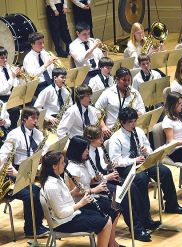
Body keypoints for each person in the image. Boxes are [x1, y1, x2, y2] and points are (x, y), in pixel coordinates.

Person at [84, 125, 161, 242]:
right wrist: (107, 176)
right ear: (91, 139)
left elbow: (101, 166)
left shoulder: (98, 149)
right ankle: (136, 229)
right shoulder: (86, 154)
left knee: (133, 187)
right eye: (100, 138)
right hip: (96, 185)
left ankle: (144, 220)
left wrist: (109, 166)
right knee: (122, 195)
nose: (102, 140)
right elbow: (91, 178)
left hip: (105, 178)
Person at [109, 107, 182, 216]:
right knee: (142, 179)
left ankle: (172, 205)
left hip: (142, 162)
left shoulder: (139, 131)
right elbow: (115, 161)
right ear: (122, 123)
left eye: (135, 121)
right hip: (126, 167)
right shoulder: (116, 138)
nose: (133, 124)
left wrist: (146, 151)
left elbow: (149, 149)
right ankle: (145, 216)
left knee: (165, 171)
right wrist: (133, 160)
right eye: (130, 122)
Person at [39, 151, 112, 247]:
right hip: (64, 223)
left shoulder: (56, 178)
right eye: (61, 162)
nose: (64, 164)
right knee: (106, 223)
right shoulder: (51, 186)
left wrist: (74, 191)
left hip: (70, 216)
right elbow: (61, 213)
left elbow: (60, 199)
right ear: (54, 166)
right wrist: (81, 203)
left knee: (106, 218)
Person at [64, 136, 121, 247]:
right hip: (80, 203)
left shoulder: (82, 163)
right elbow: (74, 192)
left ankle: (111, 242)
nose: (87, 151)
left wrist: (95, 179)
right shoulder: (72, 168)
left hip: (89, 197)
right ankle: (110, 242)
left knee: (116, 206)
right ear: (78, 150)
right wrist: (94, 190)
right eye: (85, 149)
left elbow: (86, 182)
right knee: (112, 208)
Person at [0, 107, 48, 237]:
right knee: (30, 195)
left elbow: (46, 148)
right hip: (12, 173)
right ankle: (30, 230)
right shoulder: (14, 135)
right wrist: (13, 172)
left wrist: (41, 156)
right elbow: (3, 156)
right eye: (33, 118)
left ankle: (37, 225)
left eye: (37, 118)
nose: (35, 121)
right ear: (24, 119)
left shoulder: (37, 133)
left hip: (28, 170)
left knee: (38, 191)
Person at [95, 67, 145, 137]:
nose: (127, 83)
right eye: (124, 80)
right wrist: (103, 126)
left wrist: (131, 116)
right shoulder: (108, 93)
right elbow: (96, 109)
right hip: (112, 131)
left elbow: (142, 109)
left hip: (131, 129)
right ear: (117, 79)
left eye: (128, 80)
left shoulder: (134, 92)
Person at [0, 46, 22, 129]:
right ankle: (12, 129)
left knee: (32, 100)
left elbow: (15, 85)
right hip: (2, 98)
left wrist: (18, 77)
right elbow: (3, 91)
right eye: (2, 58)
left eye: (6, 57)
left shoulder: (8, 67)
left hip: (13, 95)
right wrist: (12, 77)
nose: (5, 60)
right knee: (15, 109)